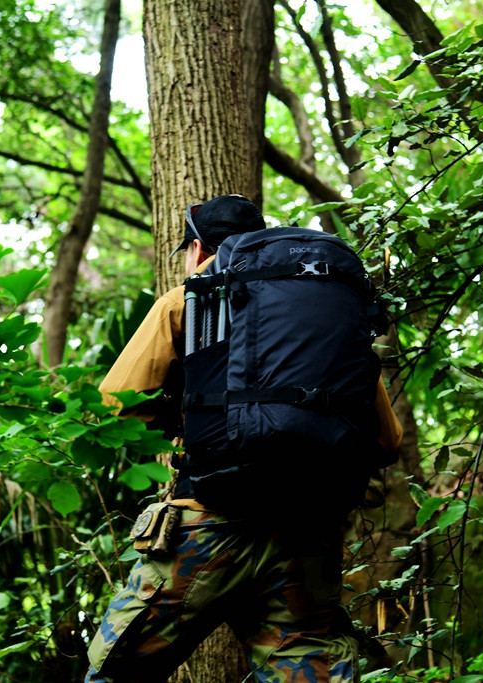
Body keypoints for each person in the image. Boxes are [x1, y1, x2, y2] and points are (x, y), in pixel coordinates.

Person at [85, 194, 403, 683]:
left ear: (196, 249)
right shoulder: (327, 316)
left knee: (116, 672)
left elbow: (114, 404)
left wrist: (187, 424)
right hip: (306, 533)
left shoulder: (188, 300)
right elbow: (386, 442)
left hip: (211, 521)